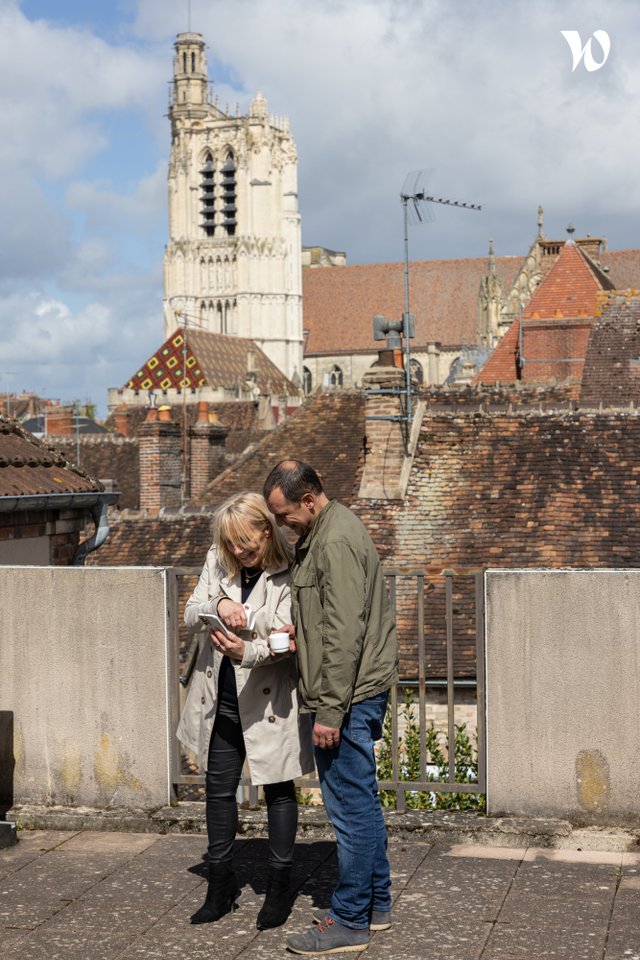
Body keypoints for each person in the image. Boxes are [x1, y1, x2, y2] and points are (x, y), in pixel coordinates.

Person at [264, 459, 399, 955]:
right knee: (362, 801)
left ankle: (349, 921)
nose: (282, 525)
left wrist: (328, 712)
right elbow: (333, 620)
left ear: (307, 499)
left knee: (351, 810)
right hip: (353, 691)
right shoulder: (327, 531)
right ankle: (376, 905)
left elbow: (345, 635)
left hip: (347, 696)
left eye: (284, 515)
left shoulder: (336, 539)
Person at [177, 491, 314, 930]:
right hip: (220, 696)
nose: (238, 550)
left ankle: (278, 887)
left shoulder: (291, 570)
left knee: (277, 789)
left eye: (246, 542)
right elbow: (191, 611)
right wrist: (218, 605)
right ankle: (220, 886)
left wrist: (245, 647)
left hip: (268, 695)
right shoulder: (218, 559)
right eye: (231, 542)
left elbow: (288, 640)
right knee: (218, 789)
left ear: (266, 529)